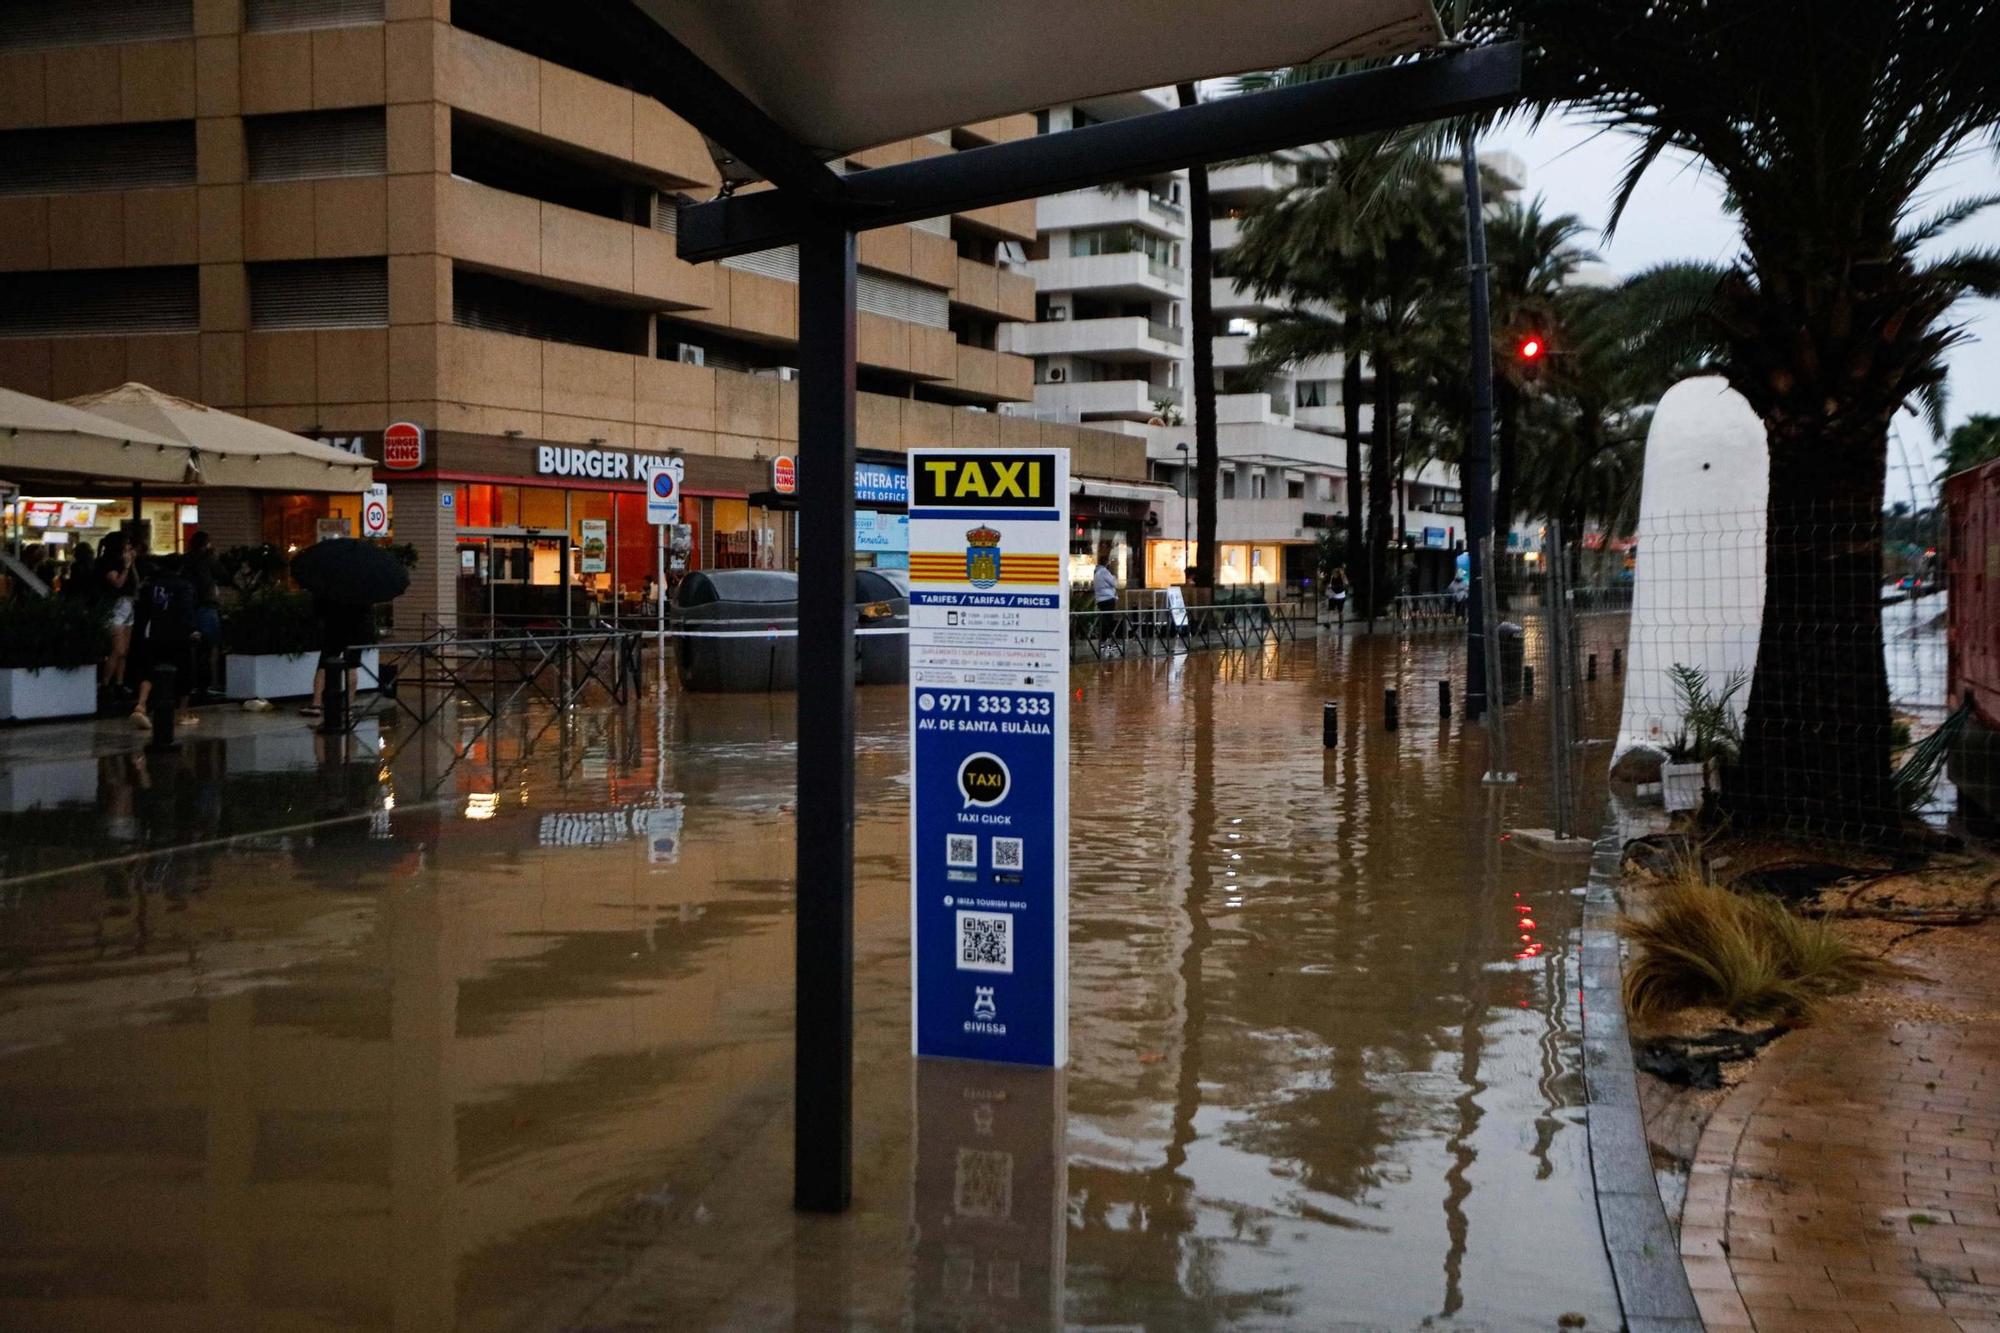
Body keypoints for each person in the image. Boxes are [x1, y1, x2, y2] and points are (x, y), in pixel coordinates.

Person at [129, 554, 200, 731]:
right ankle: (182, 713)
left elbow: (142, 607)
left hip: (153, 631)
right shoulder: (184, 586)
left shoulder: (152, 585)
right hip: (177, 634)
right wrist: (192, 630)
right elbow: (186, 611)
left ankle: (142, 705)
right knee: (184, 671)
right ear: (180, 568)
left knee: (150, 669)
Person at [301, 594, 375, 723]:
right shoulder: (362, 587)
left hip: (334, 627)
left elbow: (319, 608)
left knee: (324, 665)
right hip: (356, 629)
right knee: (352, 666)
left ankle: (316, 704)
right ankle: (347, 707)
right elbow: (368, 610)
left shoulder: (332, 586)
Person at [97, 533, 138, 698]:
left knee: (125, 650)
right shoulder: (107, 562)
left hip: (128, 604)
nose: (129, 547)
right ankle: (105, 683)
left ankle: (119, 683)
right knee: (118, 649)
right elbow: (118, 583)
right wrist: (126, 566)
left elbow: (135, 582)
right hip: (114, 605)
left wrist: (131, 564)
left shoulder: (123, 561)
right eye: (126, 543)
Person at [183, 531, 223, 702]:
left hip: (190, 607)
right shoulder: (208, 560)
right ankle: (204, 686)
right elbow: (224, 575)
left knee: (193, 648)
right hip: (206, 607)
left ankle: (192, 685)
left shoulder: (187, 560)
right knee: (208, 648)